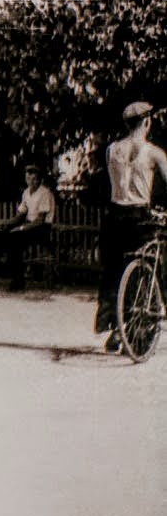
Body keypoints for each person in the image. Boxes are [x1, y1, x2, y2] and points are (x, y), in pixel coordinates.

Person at [98, 101, 167, 351]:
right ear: (147, 122)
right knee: (151, 265)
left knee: (113, 271)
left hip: (114, 216)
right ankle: (142, 327)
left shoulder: (111, 149)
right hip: (139, 217)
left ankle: (116, 329)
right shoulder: (154, 153)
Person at [0, 163, 56, 291]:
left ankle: (18, 281)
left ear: (39, 179)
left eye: (33, 178)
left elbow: (40, 220)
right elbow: (19, 216)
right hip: (27, 226)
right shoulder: (26, 192)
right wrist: (4, 224)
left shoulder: (45, 193)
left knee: (14, 240)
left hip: (41, 229)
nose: (30, 181)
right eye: (28, 178)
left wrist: (21, 228)